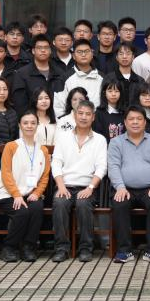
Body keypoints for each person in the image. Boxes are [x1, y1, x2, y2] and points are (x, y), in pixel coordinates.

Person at [107, 107, 150, 264]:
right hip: (124, 188)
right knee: (119, 204)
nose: (135, 122)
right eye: (131, 119)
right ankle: (124, 251)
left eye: (139, 119)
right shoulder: (116, 142)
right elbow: (113, 167)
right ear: (125, 122)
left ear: (145, 122)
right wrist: (120, 187)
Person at [50, 101, 108, 262]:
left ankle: (85, 248)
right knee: (60, 202)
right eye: (80, 113)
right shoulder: (63, 137)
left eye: (88, 114)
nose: (83, 117)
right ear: (74, 115)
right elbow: (56, 163)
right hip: (65, 185)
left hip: (87, 187)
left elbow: (101, 167)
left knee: (83, 204)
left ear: (93, 117)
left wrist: (90, 187)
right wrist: (61, 186)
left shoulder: (100, 140)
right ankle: (61, 249)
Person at [0, 110, 51, 262]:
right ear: (20, 125)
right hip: (7, 192)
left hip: (30, 193)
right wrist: (16, 195)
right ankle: (9, 247)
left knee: (37, 208)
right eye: (25, 123)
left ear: (37, 125)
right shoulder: (11, 146)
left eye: (33, 123)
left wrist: (37, 193)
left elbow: (44, 176)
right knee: (22, 212)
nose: (29, 126)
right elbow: (6, 173)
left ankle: (28, 247)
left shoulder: (43, 150)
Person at [9, 35, 65, 115]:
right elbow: (20, 103)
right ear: (33, 51)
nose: (43, 50)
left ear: (50, 51)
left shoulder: (59, 73)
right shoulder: (22, 74)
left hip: (57, 118)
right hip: (31, 120)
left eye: (46, 48)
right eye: (39, 48)